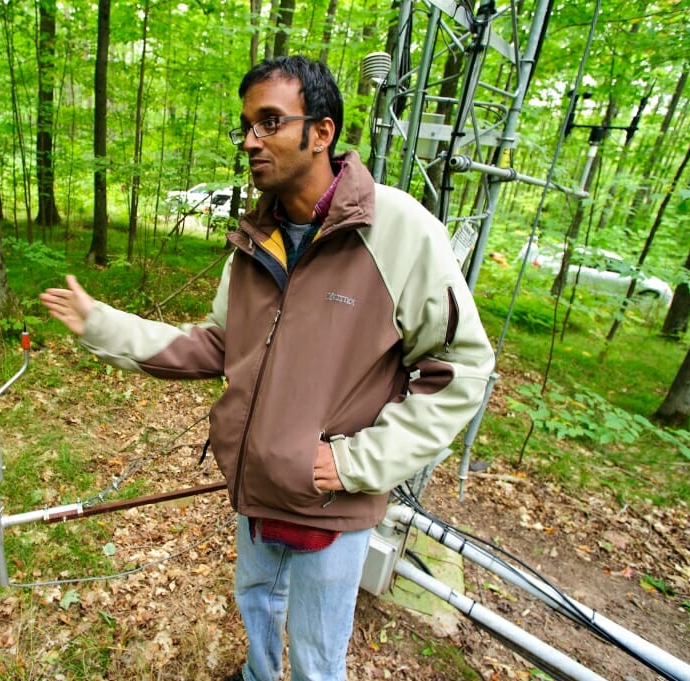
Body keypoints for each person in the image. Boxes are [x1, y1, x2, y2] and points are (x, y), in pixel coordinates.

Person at [40, 55, 495, 681]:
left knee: (314, 657)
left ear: (322, 131)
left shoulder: (398, 231)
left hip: (331, 502)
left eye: (270, 122)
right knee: (257, 613)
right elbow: (218, 346)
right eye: (247, 126)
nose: (251, 141)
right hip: (255, 489)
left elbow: (460, 367)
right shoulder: (258, 239)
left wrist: (355, 462)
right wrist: (101, 324)